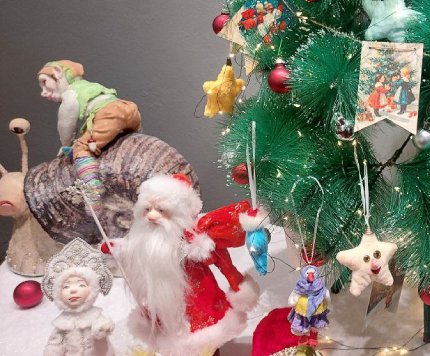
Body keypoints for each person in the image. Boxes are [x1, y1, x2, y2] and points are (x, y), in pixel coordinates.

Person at [103, 174, 264, 355]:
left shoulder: (193, 241)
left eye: (161, 210)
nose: (152, 216)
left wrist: (234, 281)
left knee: (206, 338)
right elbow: (137, 249)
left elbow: (218, 259)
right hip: (164, 301)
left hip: (197, 295)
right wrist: (119, 249)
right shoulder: (145, 237)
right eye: (147, 209)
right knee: (171, 330)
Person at [38, 60, 141, 211]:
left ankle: (94, 193)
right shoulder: (89, 86)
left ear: (58, 73)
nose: (43, 92)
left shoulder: (70, 94)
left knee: (81, 148)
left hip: (109, 114)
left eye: (44, 82)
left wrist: (66, 145)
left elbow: (66, 124)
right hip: (130, 109)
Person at [42, 238, 115, 356]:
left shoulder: (95, 316)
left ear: (92, 289)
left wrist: (102, 329)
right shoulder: (63, 323)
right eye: (66, 287)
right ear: (58, 293)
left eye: (81, 285)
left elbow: (104, 327)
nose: (73, 290)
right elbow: (55, 343)